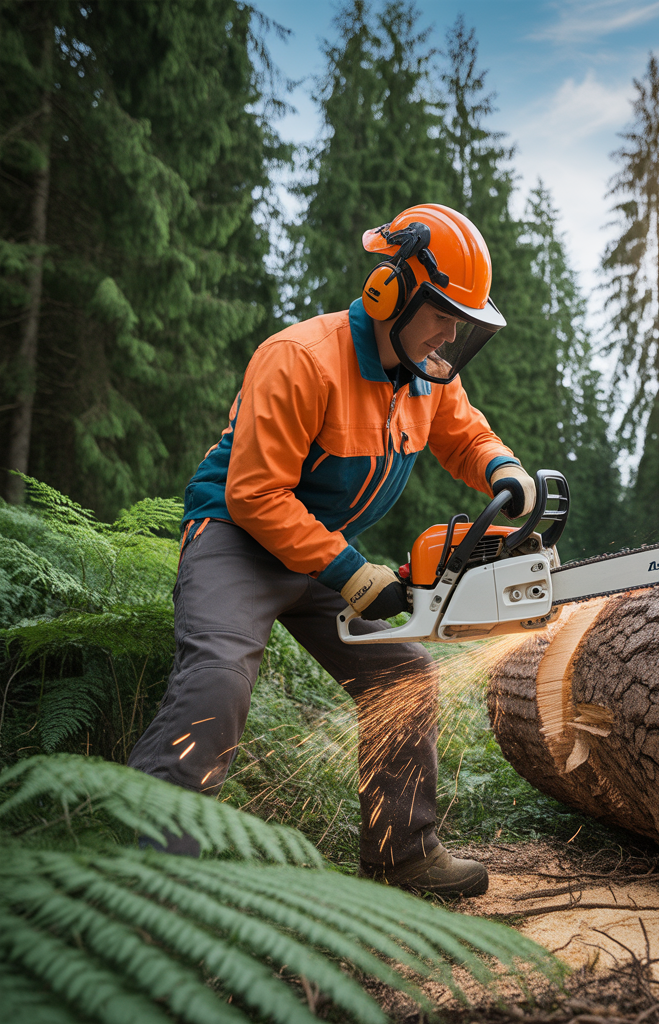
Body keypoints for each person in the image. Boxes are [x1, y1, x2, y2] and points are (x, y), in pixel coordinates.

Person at [127, 204, 539, 897]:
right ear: (391, 290)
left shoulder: (427, 373)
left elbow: (465, 435)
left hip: (318, 549)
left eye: (459, 319)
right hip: (234, 538)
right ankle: (153, 879)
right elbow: (255, 495)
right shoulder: (299, 359)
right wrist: (350, 573)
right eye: (440, 310)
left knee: (403, 675)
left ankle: (402, 855)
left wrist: (505, 469)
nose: (449, 331)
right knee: (219, 677)